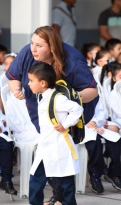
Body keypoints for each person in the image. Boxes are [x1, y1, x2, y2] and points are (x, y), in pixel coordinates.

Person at [6, 26, 98, 205]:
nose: (33, 48)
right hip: (43, 121)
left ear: (52, 47)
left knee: (60, 167)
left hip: (62, 124)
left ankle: (62, 198)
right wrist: (16, 88)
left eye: (39, 45)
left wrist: (68, 113)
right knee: (42, 168)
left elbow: (90, 93)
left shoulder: (72, 63)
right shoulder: (28, 53)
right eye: (32, 43)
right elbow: (13, 77)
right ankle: (54, 198)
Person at [28, 62, 82, 205]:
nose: (28, 84)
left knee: (65, 181)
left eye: (31, 81)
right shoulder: (41, 97)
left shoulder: (57, 98)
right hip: (45, 145)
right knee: (36, 178)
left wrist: (65, 124)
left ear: (43, 83)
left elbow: (77, 109)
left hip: (59, 145)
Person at [83, 95, 121, 194]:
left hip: (97, 126)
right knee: (94, 141)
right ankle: (95, 175)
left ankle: (114, 173)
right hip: (81, 128)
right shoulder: (71, 93)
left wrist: (95, 122)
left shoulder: (95, 96)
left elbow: (102, 113)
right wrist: (89, 124)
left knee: (115, 139)